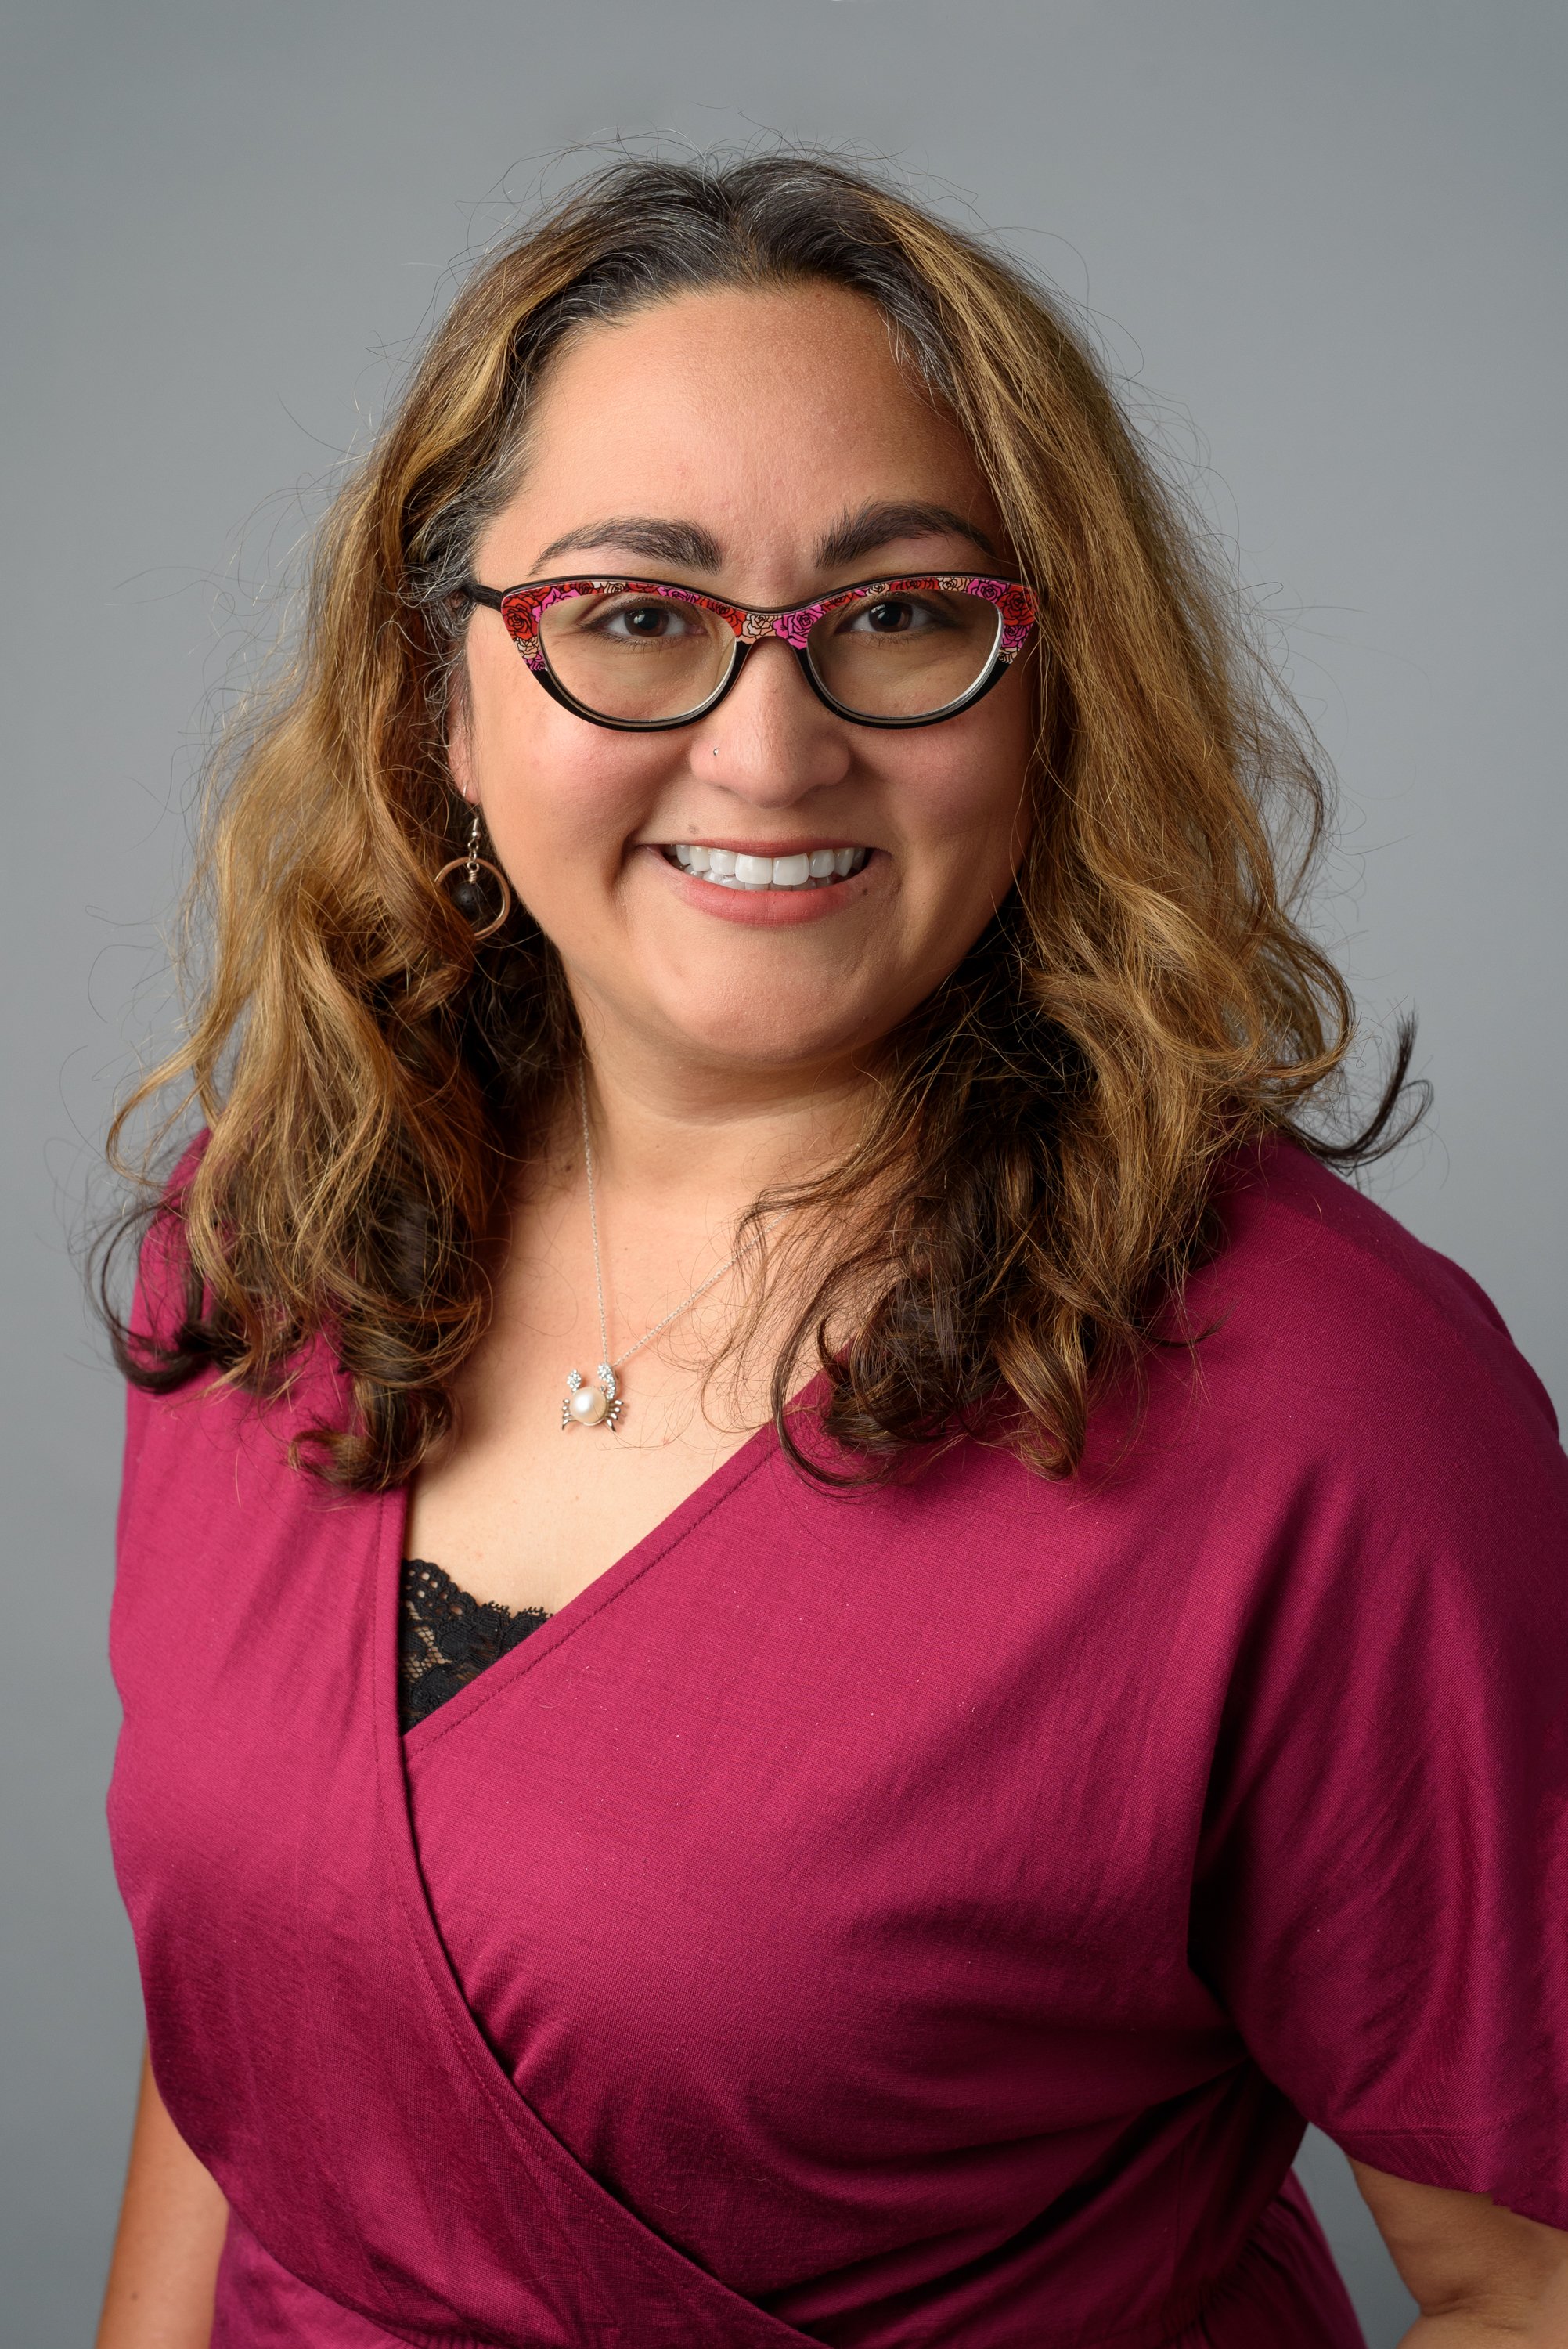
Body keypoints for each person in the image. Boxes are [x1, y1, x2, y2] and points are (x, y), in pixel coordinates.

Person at [95, 156, 1568, 2349]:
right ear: (439, 700)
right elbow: (264, 2075)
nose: (771, 749)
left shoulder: (1327, 1414)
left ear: (1043, 692)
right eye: (630, 614)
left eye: (899, 614)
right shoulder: (273, 1239)